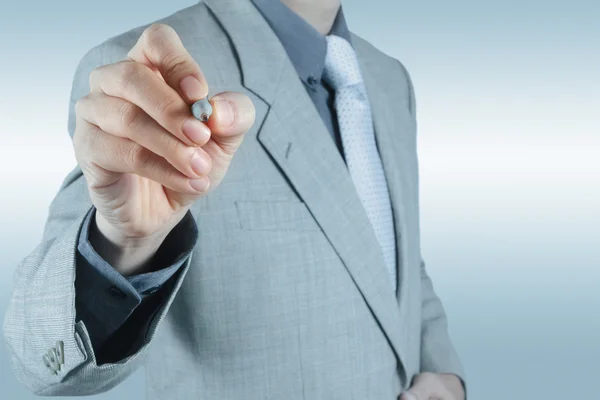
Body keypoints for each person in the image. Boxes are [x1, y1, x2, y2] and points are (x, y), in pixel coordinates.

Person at [3, 0, 466, 398]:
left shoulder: (390, 79)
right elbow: (39, 357)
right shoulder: (149, 73)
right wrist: (124, 242)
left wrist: (446, 372)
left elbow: (400, 266)